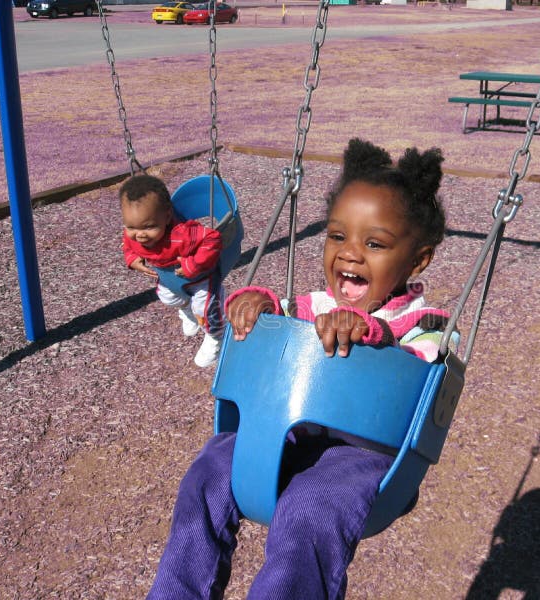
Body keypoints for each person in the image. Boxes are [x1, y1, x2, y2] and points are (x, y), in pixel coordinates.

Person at [147, 138, 458, 599]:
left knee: (308, 509)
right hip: (286, 437)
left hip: (363, 459)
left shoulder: (425, 323)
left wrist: (371, 331)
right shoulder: (316, 305)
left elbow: (423, 363)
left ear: (417, 259)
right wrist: (256, 305)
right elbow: (281, 313)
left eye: (374, 243)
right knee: (209, 472)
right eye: (337, 236)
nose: (350, 253)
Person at [120, 174, 226, 368]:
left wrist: (193, 264)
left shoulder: (182, 234)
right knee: (167, 297)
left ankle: (216, 338)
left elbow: (214, 238)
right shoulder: (133, 234)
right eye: (131, 227)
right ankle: (187, 310)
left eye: (149, 226)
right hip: (170, 280)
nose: (140, 235)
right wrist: (132, 259)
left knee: (206, 309)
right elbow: (127, 244)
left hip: (202, 279)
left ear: (167, 216)